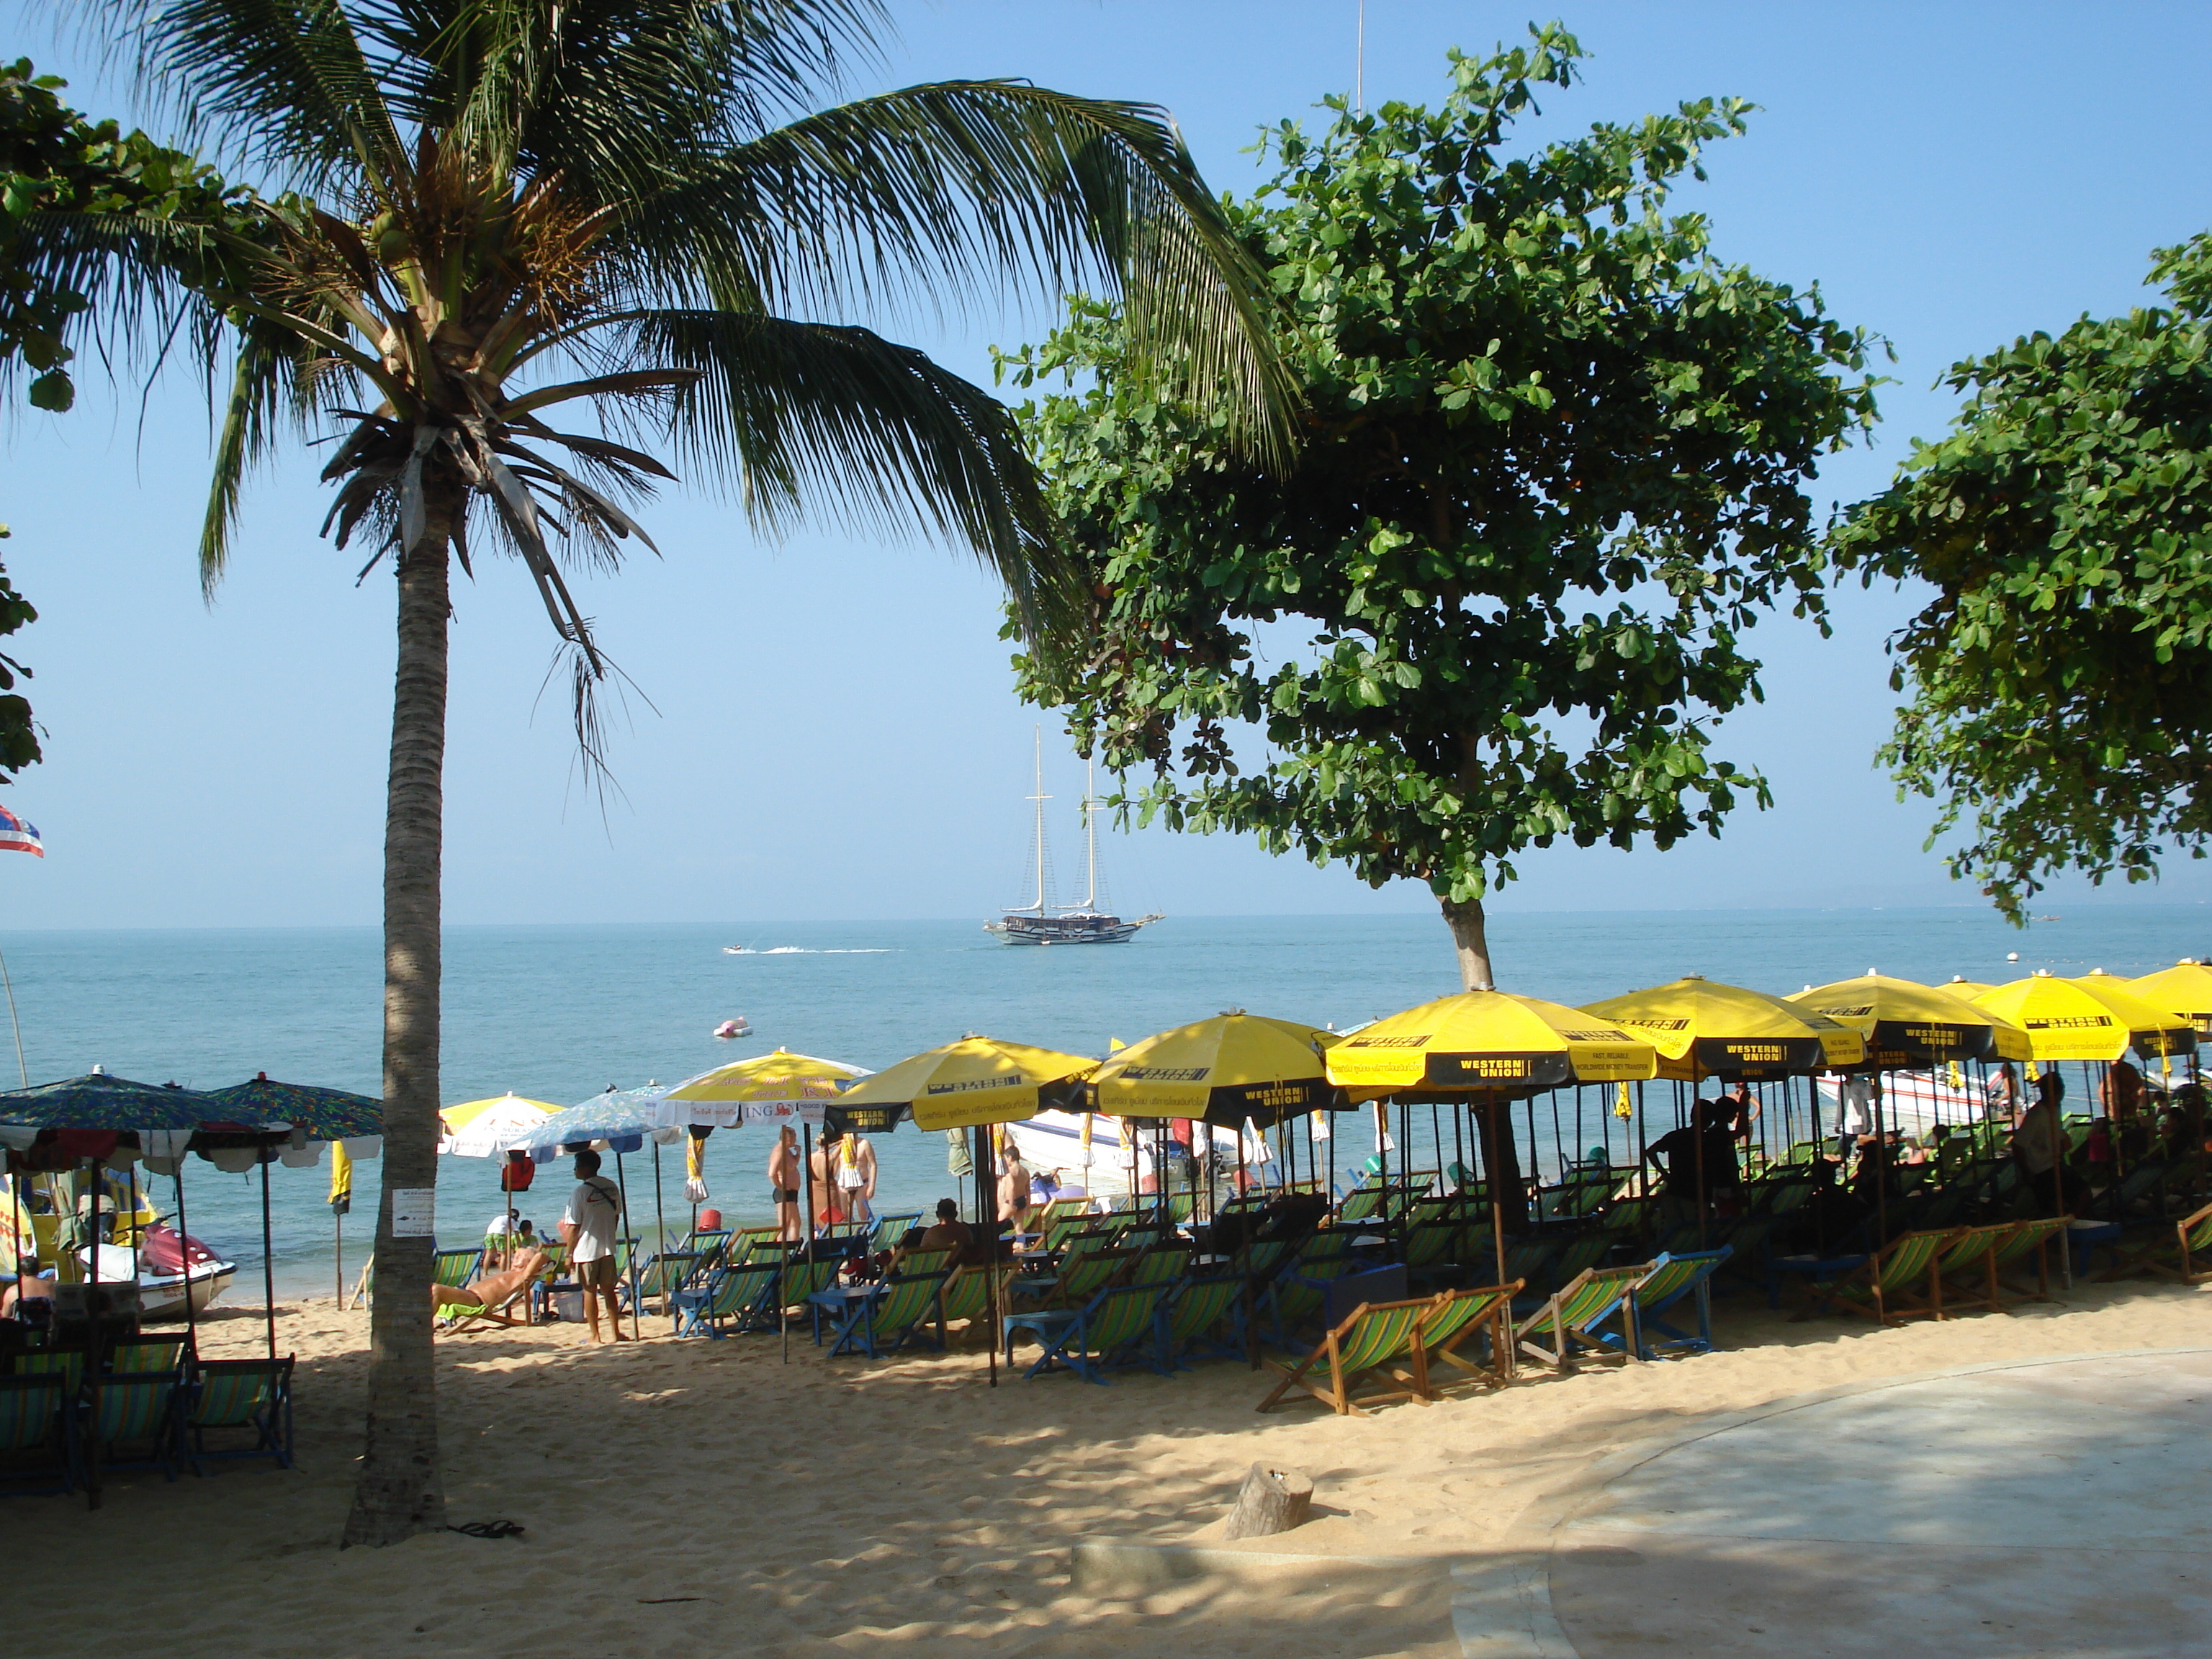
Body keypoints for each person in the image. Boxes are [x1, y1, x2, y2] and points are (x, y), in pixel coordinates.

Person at [559, 1149, 627, 1343]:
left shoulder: (580, 1192)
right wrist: (608, 1236)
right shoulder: (611, 1186)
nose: (575, 1170)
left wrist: (568, 1254)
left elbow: (573, 1227)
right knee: (608, 1291)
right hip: (607, 1246)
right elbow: (616, 1216)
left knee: (589, 1291)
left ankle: (595, 1335)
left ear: (586, 1168)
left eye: (577, 1166)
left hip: (586, 1250)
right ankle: (615, 1332)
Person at [431, 1246, 549, 1319]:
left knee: (435, 1289)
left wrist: (533, 1254)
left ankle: (424, 1325)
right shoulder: (511, 1272)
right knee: (428, 1289)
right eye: (516, 1255)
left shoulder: (523, 1276)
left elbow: (540, 1256)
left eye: (520, 1256)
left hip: (476, 1300)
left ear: (530, 1262)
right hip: (468, 1295)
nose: (515, 1256)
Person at [2013, 1072, 2067, 1215]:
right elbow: (2018, 1145)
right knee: (2080, 1194)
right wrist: (2027, 1172)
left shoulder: (2055, 1110)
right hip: (2041, 1169)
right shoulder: (2037, 1115)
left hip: (2053, 1164)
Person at [836, 1128, 878, 1226]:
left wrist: (872, 1186)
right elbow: (836, 1164)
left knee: (863, 1213)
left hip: (862, 1183)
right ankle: (849, 1236)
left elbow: (873, 1165)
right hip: (845, 1184)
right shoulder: (842, 1145)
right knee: (845, 1216)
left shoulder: (864, 1144)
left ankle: (866, 1233)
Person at [767, 1125, 801, 1242]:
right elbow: (772, 1173)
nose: (795, 1140)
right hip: (784, 1192)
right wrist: (779, 1186)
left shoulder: (787, 1151)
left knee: (795, 1223)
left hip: (791, 1192)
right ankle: (779, 1249)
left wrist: (798, 1153)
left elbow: (793, 1164)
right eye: (794, 1137)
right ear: (787, 1138)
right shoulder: (779, 1151)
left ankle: (794, 1248)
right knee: (785, 1225)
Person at [917, 1197, 976, 1262]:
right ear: (956, 1214)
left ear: (937, 1214)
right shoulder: (965, 1230)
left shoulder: (930, 1233)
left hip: (939, 1267)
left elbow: (921, 1256)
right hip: (959, 1266)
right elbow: (971, 1250)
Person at [997, 1142, 1033, 1232]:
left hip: (1012, 1201)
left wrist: (1011, 1203)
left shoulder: (1010, 1171)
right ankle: (1022, 1245)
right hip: (1022, 1200)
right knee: (1019, 1228)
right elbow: (1028, 1190)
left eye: (1005, 1158)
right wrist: (1028, 1205)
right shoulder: (1025, 1171)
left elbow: (1012, 1186)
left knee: (998, 1225)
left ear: (1010, 1157)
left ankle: (998, 1245)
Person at [1836, 1074, 1874, 1157]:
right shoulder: (1842, 1086)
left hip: (1861, 1124)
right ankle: (1846, 1162)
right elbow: (1840, 1105)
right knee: (1842, 1146)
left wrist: (1869, 1082)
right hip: (1847, 1124)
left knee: (1859, 1148)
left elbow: (1870, 1096)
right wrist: (1837, 1123)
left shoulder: (1861, 1084)